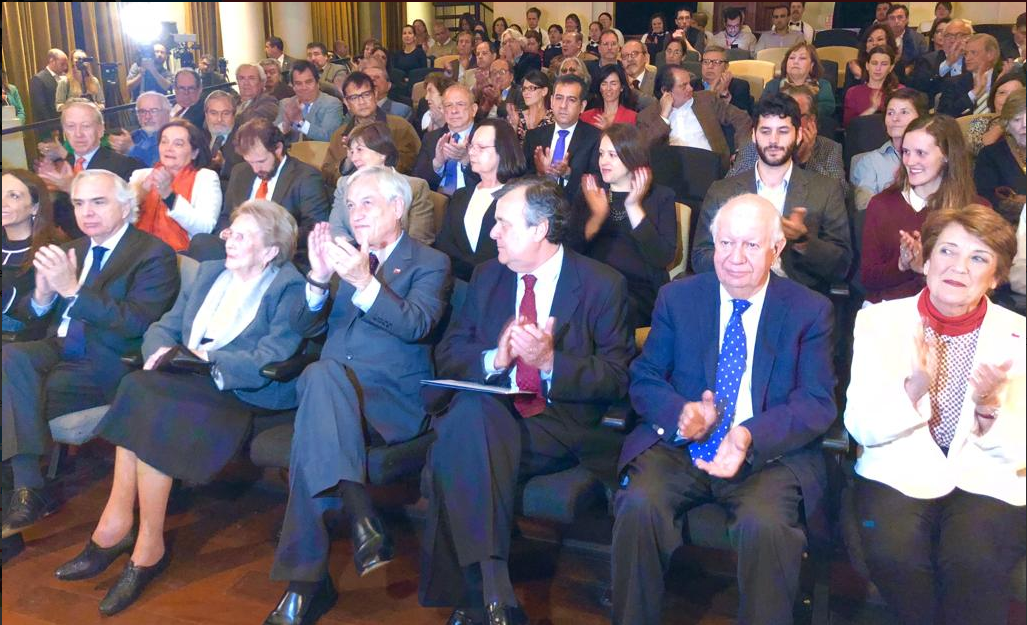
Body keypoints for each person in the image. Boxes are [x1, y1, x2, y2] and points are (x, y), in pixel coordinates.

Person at [54, 200, 305, 616]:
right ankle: (123, 528)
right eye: (230, 231)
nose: (229, 240)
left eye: (242, 236)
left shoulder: (288, 288)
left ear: (270, 251)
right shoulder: (209, 273)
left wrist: (207, 360)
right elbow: (163, 327)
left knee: (151, 400)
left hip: (239, 390)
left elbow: (271, 356)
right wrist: (160, 352)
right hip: (185, 379)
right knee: (140, 385)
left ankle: (136, 540)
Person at [420, 176, 635, 625]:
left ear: (540, 229)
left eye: (503, 223)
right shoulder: (488, 276)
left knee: (455, 444)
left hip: (557, 421)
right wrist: (494, 359)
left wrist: (551, 362)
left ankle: (474, 597)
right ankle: (496, 594)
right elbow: (449, 353)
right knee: (474, 416)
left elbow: (617, 378)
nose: (493, 232)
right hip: (492, 414)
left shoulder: (601, 284)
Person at [613, 193, 836, 625]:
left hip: (765, 455)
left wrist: (749, 435)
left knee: (766, 527)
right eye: (726, 243)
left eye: (751, 245)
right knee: (639, 503)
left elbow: (816, 401)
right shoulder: (678, 298)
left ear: (776, 249)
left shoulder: (809, 310)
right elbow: (645, 377)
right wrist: (680, 413)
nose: (735, 258)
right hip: (681, 448)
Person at [265, 167, 451, 625]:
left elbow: (416, 325)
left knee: (316, 401)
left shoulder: (430, 263)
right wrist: (317, 277)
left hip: (388, 402)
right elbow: (304, 327)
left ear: (398, 207)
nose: (356, 213)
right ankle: (359, 515)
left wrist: (365, 283)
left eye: (368, 202)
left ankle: (307, 585)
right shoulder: (343, 256)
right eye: (350, 205)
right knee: (321, 377)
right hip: (331, 398)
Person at [845, 205, 1024, 625]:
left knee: (973, 560)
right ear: (926, 261)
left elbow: (1020, 450)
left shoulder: (1019, 336)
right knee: (894, 553)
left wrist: (989, 408)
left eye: (978, 257)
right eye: (947, 251)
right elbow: (860, 425)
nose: (958, 267)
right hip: (897, 471)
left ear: (995, 277)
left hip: (988, 475)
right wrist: (914, 389)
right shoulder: (879, 322)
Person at [1, 170, 179, 539]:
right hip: (60, 348)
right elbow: (34, 317)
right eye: (79, 203)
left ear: (126, 206)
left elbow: (134, 322)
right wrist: (42, 297)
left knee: (15, 391)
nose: (87, 212)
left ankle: (25, 489)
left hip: (107, 360)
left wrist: (71, 290)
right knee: (11, 357)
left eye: (99, 202)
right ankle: (27, 487)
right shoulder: (76, 248)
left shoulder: (153, 254)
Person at [693, 93, 852, 296]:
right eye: (765, 131)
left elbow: (842, 265)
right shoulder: (722, 191)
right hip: (736, 294)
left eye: (783, 131)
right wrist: (737, 260)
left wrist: (803, 241)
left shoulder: (825, 190)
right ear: (753, 135)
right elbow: (700, 257)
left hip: (797, 299)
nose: (773, 140)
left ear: (799, 135)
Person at [862, 114, 980, 303]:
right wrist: (903, 265)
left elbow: (982, 277)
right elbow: (869, 278)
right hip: (890, 309)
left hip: (953, 309)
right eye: (906, 152)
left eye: (921, 153)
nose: (909, 161)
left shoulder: (976, 210)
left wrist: (925, 266)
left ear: (947, 155)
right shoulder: (882, 204)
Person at [574, 124, 676, 329]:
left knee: (605, 312)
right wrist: (597, 217)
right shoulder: (592, 191)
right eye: (601, 154)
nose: (603, 161)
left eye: (612, 155)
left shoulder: (660, 197)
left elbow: (662, 257)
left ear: (631, 157)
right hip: (592, 284)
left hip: (636, 291)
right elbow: (571, 249)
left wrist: (633, 206)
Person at [216, 118, 329, 265]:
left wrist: (266, 239)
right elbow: (226, 216)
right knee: (203, 243)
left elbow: (315, 228)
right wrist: (226, 231)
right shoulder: (240, 172)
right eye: (250, 162)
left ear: (278, 149)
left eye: (261, 161)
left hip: (280, 257)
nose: (256, 169)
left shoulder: (306, 177)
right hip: (236, 247)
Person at [34, 101, 144, 238]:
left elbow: (121, 219)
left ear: (100, 130)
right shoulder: (62, 166)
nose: (78, 134)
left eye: (85, 126)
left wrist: (71, 187)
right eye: (71, 126)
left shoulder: (124, 165)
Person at [435, 119, 527, 282]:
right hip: (458, 285)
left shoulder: (520, 198)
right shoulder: (461, 195)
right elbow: (444, 245)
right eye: (471, 146)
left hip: (502, 284)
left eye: (481, 147)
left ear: (503, 150)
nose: (471, 152)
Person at [328, 122, 435, 246]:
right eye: (352, 152)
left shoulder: (415, 187)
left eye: (360, 150)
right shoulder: (345, 184)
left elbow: (419, 241)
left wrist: (379, 254)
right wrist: (358, 252)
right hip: (352, 253)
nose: (354, 158)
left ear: (383, 153)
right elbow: (336, 229)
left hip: (398, 257)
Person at [637, 65, 752, 174]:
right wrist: (663, 117)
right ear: (665, 91)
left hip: (711, 167)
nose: (690, 88)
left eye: (689, 83)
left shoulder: (706, 99)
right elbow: (643, 149)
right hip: (672, 174)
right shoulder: (647, 116)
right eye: (683, 85)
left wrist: (741, 151)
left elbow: (742, 118)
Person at [128, 120, 221, 251]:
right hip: (136, 251)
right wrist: (141, 193)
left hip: (181, 255)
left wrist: (169, 196)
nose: (169, 148)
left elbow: (204, 229)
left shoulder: (206, 178)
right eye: (164, 142)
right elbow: (118, 220)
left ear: (194, 153)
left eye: (178, 144)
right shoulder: (140, 176)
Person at [728, 85, 845, 185]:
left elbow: (840, 192)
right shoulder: (756, 144)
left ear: (811, 120)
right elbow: (730, 185)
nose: (790, 121)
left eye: (797, 115)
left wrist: (805, 161)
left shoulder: (830, 149)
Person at [322, 71, 421, 187]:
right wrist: (348, 163)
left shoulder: (400, 126)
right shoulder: (339, 135)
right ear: (346, 102)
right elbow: (328, 175)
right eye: (354, 98)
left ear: (375, 94)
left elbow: (411, 165)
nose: (361, 102)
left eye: (366, 95)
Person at [2, 170, 62, 338]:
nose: (2, 202)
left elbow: (34, 317)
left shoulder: (50, 253)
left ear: (35, 207)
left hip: (21, 340)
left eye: (13, 196)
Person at [523, 74, 600, 204]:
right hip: (538, 207)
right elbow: (522, 179)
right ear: (552, 101)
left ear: (582, 106)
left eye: (571, 100)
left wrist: (568, 174)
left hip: (575, 209)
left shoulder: (595, 138)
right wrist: (541, 174)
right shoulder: (534, 136)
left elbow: (599, 182)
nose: (563, 105)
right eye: (559, 98)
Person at [851, 88, 929, 212]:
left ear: (921, 118)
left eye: (904, 112)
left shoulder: (935, 157)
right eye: (890, 113)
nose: (895, 118)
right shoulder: (870, 162)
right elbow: (865, 208)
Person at [413, 84, 479, 196]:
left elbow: (497, 179)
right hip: (437, 199)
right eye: (448, 105)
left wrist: (466, 161)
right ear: (443, 110)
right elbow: (417, 181)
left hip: (472, 200)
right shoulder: (432, 138)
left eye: (460, 104)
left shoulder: (486, 138)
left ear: (473, 109)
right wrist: (437, 163)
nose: (454, 110)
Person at [974, 88, 1027, 225]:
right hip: (1009, 228)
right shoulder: (990, 156)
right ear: (1007, 125)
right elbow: (985, 201)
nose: (1024, 125)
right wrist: (1016, 206)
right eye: (1017, 120)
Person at [274, 60, 345, 143]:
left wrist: (300, 123)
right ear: (293, 86)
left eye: (308, 82)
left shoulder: (332, 104)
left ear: (317, 83)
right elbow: (272, 138)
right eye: (298, 83)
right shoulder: (285, 104)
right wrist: (286, 124)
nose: (304, 87)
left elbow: (329, 137)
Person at [762, 42, 836, 119]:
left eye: (802, 58)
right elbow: (764, 106)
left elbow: (827, 107)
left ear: (812, 65)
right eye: (792, 58)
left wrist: (802, 114)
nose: (795, 62)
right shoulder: (773, 84)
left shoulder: (823, 85)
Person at [937, 33, 1002, 117]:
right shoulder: (953, 83)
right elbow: (943, 116)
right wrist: (973, 93)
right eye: (966, 54)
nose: (967, 58)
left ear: (990, 55)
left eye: (973, 53)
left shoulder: (1004, 80)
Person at [963, 72, 1027, 156]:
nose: (1008, 98)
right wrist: (1004, 122)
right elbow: (978, 151)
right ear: (993, 97)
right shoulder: (980, 123)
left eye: (1015, 93)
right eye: (1002, 93)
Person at [106, 92, 172, 167]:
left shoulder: (175, 137)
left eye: (154, 111)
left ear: (167, 113)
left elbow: (161, 167)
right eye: (142, 111)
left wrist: (131, 149)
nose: (147, 117)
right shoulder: (133, 136)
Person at [844, 46, 899, 126]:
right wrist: (872, 109)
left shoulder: (899, 91)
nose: (878, 68)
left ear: (891, 67)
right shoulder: (853, 92)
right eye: (874, 63)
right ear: (867, 65)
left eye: (884, 64)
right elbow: (849, 126)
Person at [692, 45, 754, 115]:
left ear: (726, 66)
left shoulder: (739, 86)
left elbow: (742, 117)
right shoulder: (691, 85)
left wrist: (725, 93)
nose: (710, 66)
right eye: (706, 62)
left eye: (716, 62)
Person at [202, 89, 242, 186]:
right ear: (206, 115)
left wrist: (223, 164)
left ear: (234, 115)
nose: (219, 119)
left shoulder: (244, 139)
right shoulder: (201, 136)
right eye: (213, 113)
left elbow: (245, 176)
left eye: (225, 113)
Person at [847, 23, 903, 91]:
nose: (874, 43)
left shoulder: (897, 65)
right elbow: (847, 95)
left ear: (888, 43)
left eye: (880, 39)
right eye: (870, 40)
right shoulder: (855, 66)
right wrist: (858, 77)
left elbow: (903, 93)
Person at [581, 64, 637, 130]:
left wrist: (608, 129)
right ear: (599, 88)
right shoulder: (586, 116)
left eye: (613, 84)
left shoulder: (632, 117)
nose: (608, 88)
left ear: (622, 87)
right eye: (604, 84)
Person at [506, 70, 554, 141]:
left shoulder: (553, 118)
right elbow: (507, 145)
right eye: (524, 89)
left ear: (544, 91)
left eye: (531, 88)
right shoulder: (517, 116)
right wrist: (514, 126)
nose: (526, 93)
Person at [29, 49, 68, 132]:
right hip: (48, 128)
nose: (65, 67)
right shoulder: (38, 79)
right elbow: (41, 108)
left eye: (66, 64)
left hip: (65, 125)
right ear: (52, 61)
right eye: (62, 64)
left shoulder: (65, 78)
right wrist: (52, 128)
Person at [234, 63, 280, 127]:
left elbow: (253, 122)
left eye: (251, 78)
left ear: (262, 82)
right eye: (242, 78)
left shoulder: (269, 102)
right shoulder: (232, 101)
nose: (246, 83)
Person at [420, 72, 456, 137]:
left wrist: (442, 123)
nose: (426, 97)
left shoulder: (459, 116)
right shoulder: (427, 116)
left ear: (444, 93)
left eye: (431, 91)